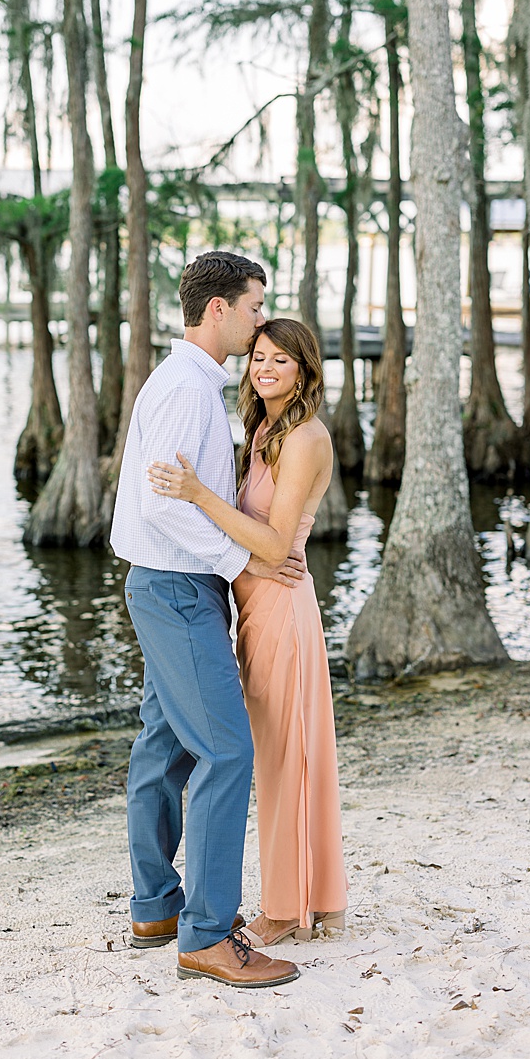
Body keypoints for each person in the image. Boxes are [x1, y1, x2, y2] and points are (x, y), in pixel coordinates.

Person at [110, 251, 305, 990]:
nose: (261, 318)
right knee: (227, 752)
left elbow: (171, 496)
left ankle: (157, 907)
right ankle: (207, 936)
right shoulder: (187, 389)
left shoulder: (188, 382)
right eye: (255, 306)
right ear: (218, 308)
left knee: (164, 748)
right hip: (178, 588)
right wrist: (239, 563)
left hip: (170, 586)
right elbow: (165, 503)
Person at [148, 317, 347, 948]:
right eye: (259, 357)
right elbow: (256, 540)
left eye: (280, 361)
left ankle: (288, 909)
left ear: (304, 370)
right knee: (273, 756)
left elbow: (274, 541)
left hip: (283, 610)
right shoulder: (265, 429)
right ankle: (304, 894)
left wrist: (199, 494)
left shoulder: (305, 438)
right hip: (255, 607)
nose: (264, 368)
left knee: (286, 760)